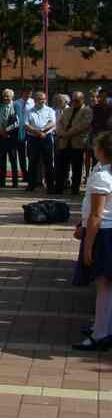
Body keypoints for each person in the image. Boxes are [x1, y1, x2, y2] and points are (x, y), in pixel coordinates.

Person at [72, 131, 112, 350]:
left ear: (102, 151)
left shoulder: (102, 177)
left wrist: (88, 245)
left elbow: (97, 214)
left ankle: (100, 333)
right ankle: (103, 325)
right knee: (107, 285)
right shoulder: (103, 173)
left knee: (103, 285)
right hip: (105, 230)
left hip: (104, 233)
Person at [55, 91, 92, 196]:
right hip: (64, 142)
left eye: (77, 100)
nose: (74, 102)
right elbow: (59, 123)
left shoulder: (87, 110)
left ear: (82, 100)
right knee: (61, 166)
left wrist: (68, 133)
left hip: (77, 143)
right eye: (73, 100)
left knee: (77, 167)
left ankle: (75, 189)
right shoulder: (67, 110)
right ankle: (59, 188)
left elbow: (84, 125)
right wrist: (61, 132)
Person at [25, 91, 57, 194]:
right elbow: (26, 124)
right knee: (32, 162)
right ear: (34, 100)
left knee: (48, 163)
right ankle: (31, 185)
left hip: (46, 138)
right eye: (39, 99)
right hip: (33, 138)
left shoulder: (50, 110)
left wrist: (42, 131)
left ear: (45, 100)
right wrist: (37, 132)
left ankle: (50, 186)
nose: (41, 101)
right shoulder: (29, 111)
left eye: (43, 99)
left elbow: (52, 123)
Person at [0, 89, 21, 188]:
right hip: (2, 137)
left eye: (8, 96)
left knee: (13, 160)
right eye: (4, 95)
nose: (6, 98)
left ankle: (15, 183)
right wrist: (0, 130)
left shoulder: (16, 106)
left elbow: (18, 122)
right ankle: (2, 182)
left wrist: (7, 130)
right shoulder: (0, 107)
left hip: (12, 137)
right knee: (1, 160)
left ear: (12, 97)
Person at [13, 87, 35, 178]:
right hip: (19, 131)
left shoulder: (33, 102)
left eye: (30, 93)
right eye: (26, 92)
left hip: (30, 129)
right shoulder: (16, 103)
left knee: (31, 153)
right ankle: (24, 173)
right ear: (22, 92)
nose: (28, 94)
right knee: (21, 153)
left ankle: (31, 172)